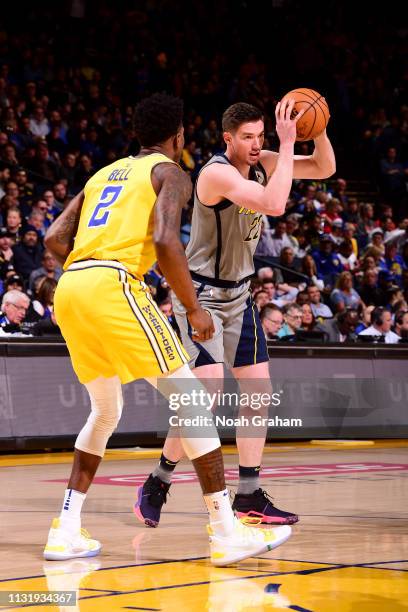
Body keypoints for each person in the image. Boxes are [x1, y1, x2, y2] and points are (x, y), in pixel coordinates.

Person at [43, 93, 291, 566]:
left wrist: (84, 273)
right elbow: (162, 240)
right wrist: (195, 310)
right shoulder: (170, 171)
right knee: (195, 400)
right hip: (113, 284)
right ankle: (224, 530)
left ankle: (65, 529)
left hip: (71, 286)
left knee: (105, 411)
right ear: (176, 136)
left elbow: (54, 238)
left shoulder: (103, 173)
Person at [136, 99, 335, 529]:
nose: (255, 144)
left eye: (260, 136)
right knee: (204, 396)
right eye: (247, 137)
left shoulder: (263, 160)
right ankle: (158, 481)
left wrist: (315, 130)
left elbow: (322, 168)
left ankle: (248, 493)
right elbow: (275, 204)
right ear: (228, 138)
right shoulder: (215, 173)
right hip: (203, 296)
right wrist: (283, 145)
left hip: (241, 297)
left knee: (258, 397)